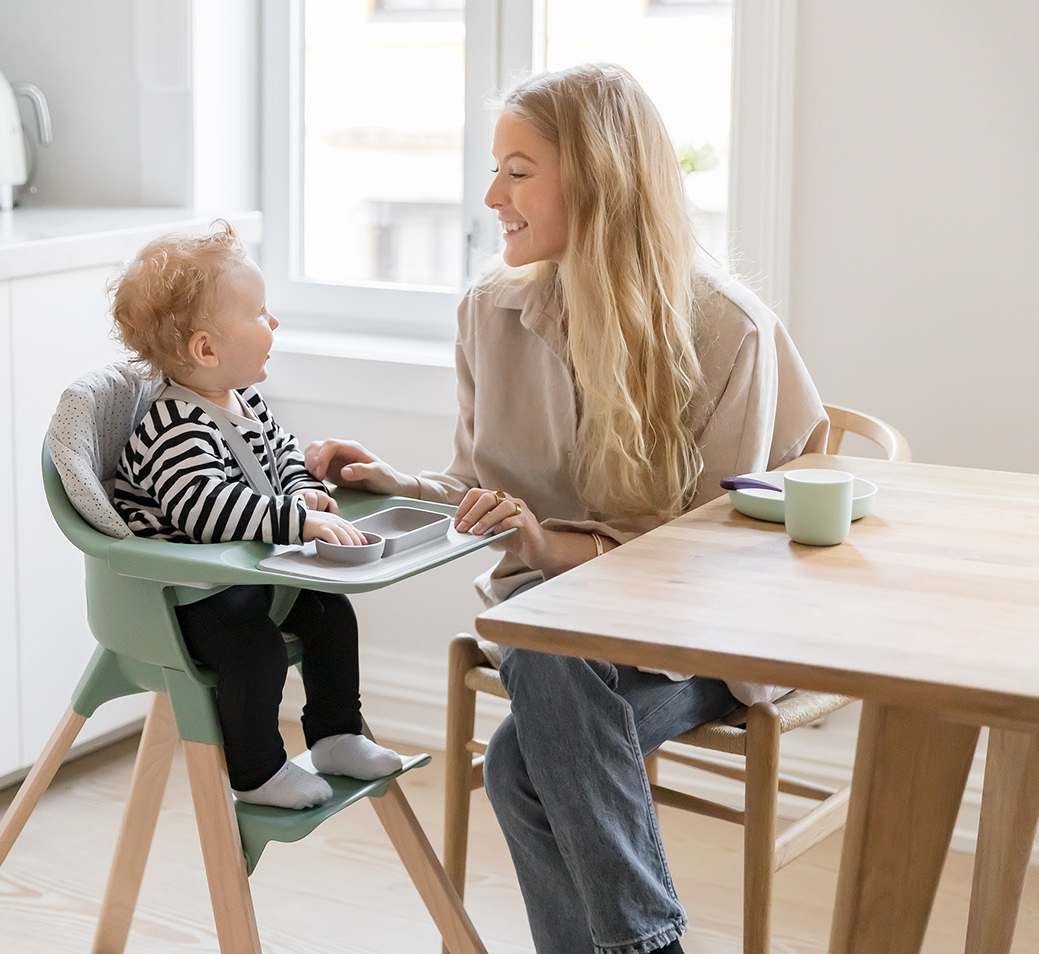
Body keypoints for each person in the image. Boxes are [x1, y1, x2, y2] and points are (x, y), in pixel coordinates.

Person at [305, 65, 829, 954]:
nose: (489, 196)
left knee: (520, 752)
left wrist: (549, 549)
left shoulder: (728, 330)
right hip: (562, 637)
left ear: (596, 177)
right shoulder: (488, 314)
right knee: (539, 687)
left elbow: (713, 561)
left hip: (701, 639)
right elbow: (486, 489)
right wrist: (393, 482)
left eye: (518, 170)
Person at [110, 221, 403, 811]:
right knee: (255, 650)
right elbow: (206, 511)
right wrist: (296, 523)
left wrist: (306, 495)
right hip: (187, 593)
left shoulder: (245, 402)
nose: (274, 324)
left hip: (246, 575)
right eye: (261, 314)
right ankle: (257, 770)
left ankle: (335, 733)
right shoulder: (173, 426)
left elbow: (283, 458)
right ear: (207, 349)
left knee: (330, 613)